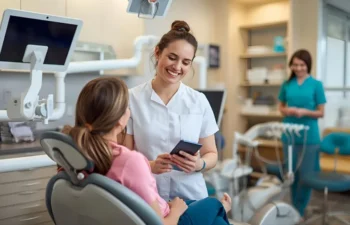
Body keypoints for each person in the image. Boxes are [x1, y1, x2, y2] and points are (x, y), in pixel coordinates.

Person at [62, 76, 232, 225]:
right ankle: (221, 208)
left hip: (139, 213)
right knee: (213, 206)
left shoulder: (74, 156)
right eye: (126, 108)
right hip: (168, 216)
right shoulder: (129, 161)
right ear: (120, 122)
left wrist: (197, 164)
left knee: (213, 218)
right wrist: (176, 210)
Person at [123, 20, 219, 202]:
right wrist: (150, 165)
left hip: (190, 197)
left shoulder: (198, 101)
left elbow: (212, 153)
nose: (177, 67)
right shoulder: (131, 98)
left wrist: (199, 164)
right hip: (147, 198)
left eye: (185, 62)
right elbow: (124, 157)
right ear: (157, 53)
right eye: (172, 57)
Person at [278, 49, 326, 218]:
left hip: (309, 136)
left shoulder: (316, 85)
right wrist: (288, 110)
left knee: (306, 174)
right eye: (295, 64)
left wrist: (304, 112)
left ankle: (299, 209)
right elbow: (281, 108)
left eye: (302, 65)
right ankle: (293, 206)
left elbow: (321, 112)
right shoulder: (287, 84)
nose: (298, 68)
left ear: (308, 66)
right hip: (289, 134)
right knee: (291, 173)